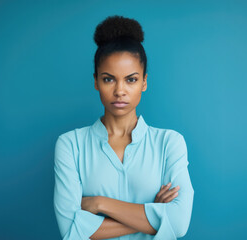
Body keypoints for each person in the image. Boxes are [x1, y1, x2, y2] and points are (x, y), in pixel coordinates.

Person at [53, 15, 194, 240]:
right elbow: (70, 232)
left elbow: (178, 223)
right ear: (96, 81)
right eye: (109, 79)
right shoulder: (71, 145)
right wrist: (153, 214)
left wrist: (100, 203)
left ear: (144, 82)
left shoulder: (169, 143)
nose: (120, 90)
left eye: (131, 79)